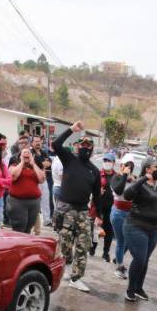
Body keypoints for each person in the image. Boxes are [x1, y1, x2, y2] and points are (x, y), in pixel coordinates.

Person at [52, 122, 101, 293]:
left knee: (83, 244)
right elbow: (56, 144)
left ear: (92, 149)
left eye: (89, 145)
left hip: (82, 212)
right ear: (78, 146)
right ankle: (67, 262)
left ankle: (76, 278)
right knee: (65, 243)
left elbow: (97, 196)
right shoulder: (69, 159)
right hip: (65, 210)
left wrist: (98, 216)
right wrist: (71, 130)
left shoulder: (94, 171)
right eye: (83, 144)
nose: (85, 147)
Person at [122, 160, 157, 302]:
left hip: (153, 229)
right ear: (148, 169)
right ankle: (130, 289)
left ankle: (138, 288)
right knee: (140, 259)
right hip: (136, 226)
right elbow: (127, 195)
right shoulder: (140, 185)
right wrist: (143, 178)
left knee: (145, 260)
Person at [6, 145, 45, 233]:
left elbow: (42, 179)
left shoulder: (35, 167)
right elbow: (13, 176)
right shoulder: (14, 165)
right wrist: (22, 162)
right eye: (24, 152)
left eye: (29, 153)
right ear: (20, 156)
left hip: (34, 202)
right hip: (18, 202)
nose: (27, 153)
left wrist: (33, 164)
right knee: (19, 227)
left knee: (28, 228)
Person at [108, 159, 134, 279]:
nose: (128, 168)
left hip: (130, 214)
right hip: (118, 213)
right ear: (121, 166)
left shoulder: (133, 180)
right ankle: (119, 267)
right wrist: (124, 175)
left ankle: (118, 259)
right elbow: (118, 190)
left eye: (130, 167)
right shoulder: (116, 177)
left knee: (129, 241)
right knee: (121, 241)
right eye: (126, 166)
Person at [95, 152, 117, 262]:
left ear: (114, 163)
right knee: (96, 229)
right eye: (105, 161)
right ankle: (92, 247)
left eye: (109, 161)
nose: (107, 163)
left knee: (109, 230)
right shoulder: (98, 174)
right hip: (99, 206)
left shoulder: (117, 176)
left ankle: (105, 252)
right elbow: (92, 190)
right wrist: (98, 192)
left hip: (112, 207)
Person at [31, 135, 52, 226]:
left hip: (43, 179)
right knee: (34, 200)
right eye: (35, 141)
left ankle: (47, 220)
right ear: (32, 143)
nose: (38, 143)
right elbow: (37, 163)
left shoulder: (44, 152)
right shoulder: (31, 153)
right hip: (34, 180)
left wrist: (43, 163)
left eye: (39, 141)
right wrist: (43, 163)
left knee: (46, 199)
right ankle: (32, 220)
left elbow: (49, 162)